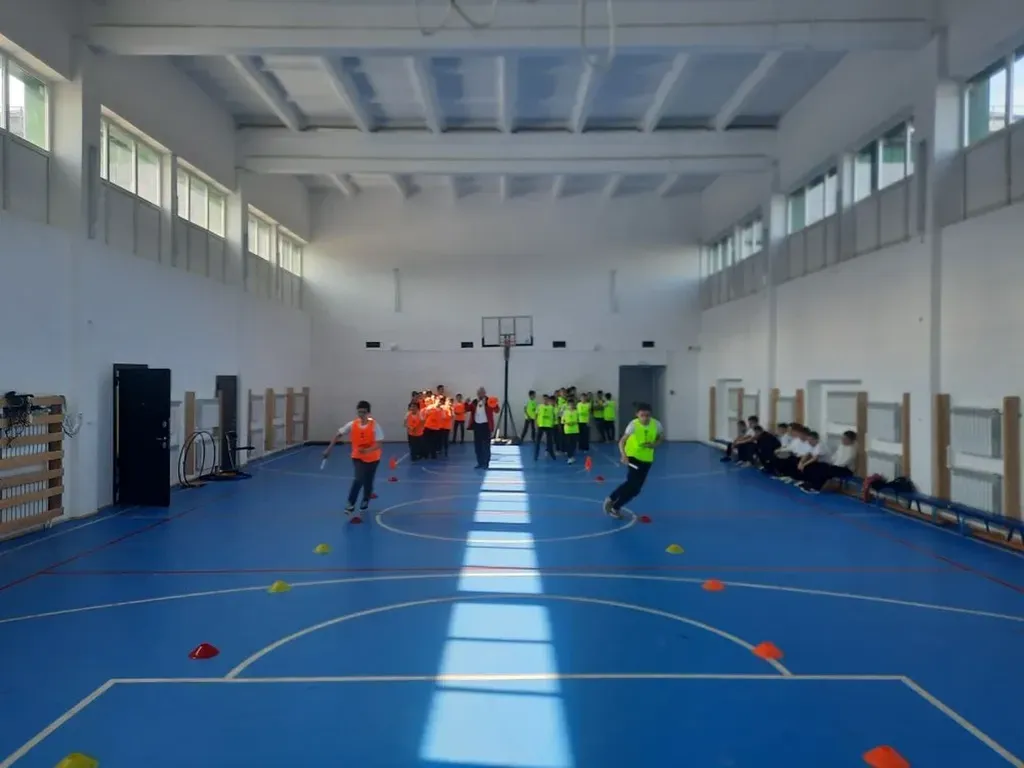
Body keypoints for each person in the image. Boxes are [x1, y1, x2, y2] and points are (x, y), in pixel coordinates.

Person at [322, 400, 383, 516]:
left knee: (368, 482)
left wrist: (368, 450)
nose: (361, 415)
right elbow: (338, 434)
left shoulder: (375, 425)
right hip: (358, 457)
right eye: (359, 412)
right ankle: (350, 503)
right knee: (358, 478)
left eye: (364, 412)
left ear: (368, 413)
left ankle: (366, 499)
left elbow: (379, 444)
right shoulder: (352, 424)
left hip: (373, 458)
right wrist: (329, 449)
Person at [604, 402, 662, 518]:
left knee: (636, 490)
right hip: (633, 457)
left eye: (647, 415)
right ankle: (611, 498)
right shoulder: (633, 425)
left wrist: (654, 444)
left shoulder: (656, 424)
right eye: (642, 415)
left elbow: (660, 436)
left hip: (647, 459)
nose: (645, 418)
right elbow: (622, 442)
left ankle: (616, 507)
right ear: (637, 415)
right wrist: (623, 455)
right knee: (632, 483)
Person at [467, 387, 499, 469]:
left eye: (481, 393)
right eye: (478, 393)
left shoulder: (489, 401)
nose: (480, 394)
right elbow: (467, 409)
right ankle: (480, 462)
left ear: (484, 393)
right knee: (478, 446)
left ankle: (486, 463)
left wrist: (493, 404)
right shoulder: (475, 402)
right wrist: (466, 403)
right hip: (477, 426)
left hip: (486, 426)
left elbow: (497, 410)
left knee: (486, 445)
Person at [534, 395, 557, 461]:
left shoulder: (551, 407)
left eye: (546, 399)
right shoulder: (539, 406)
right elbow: (536, 415)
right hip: (541, 425)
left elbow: (554, 416)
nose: (545, 400)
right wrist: (536, 423)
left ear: (548, 400)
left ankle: (552, 454)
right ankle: (536, 455)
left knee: (550, 441)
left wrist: (553, 423)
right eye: (544, 399)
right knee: (537, 441)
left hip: (549, 426)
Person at [561, 398, 580, 464]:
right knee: (568, 444)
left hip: (575, 430)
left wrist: (574, 422)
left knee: (574, 444)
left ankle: (572, 456)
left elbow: (579, 420)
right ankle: (570, 457)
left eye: (572, 404)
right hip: (568, 430)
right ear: (568, 405)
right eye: (570, 405)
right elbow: (562, 421)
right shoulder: (565, 412)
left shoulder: (576, 412)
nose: (571, 406)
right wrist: (567, 423)